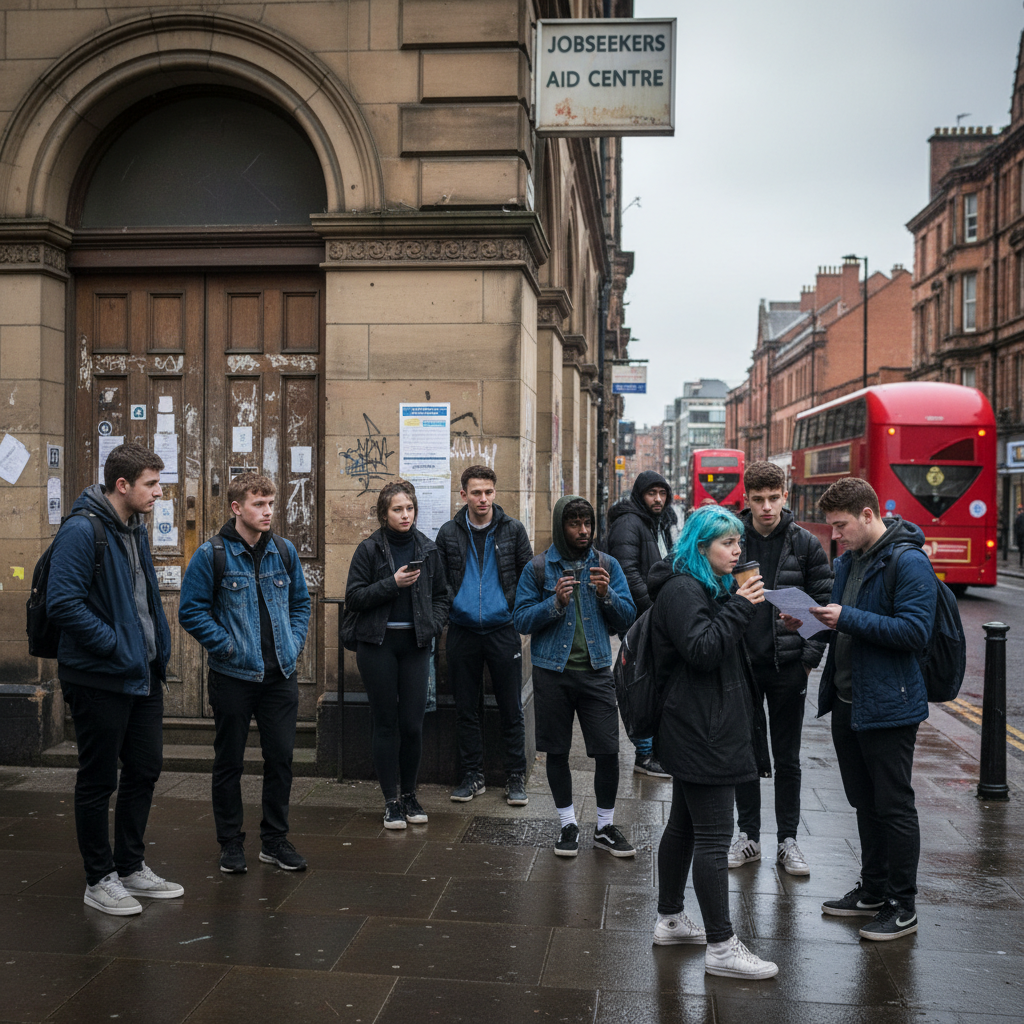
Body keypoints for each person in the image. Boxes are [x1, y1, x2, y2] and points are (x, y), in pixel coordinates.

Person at [797, 477, 936, 942]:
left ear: (869, 515)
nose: (836, 535)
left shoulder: (909, 562)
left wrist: (847, 617)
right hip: (848, 703)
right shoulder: (848, 563)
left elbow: (915, 631)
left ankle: (903, 904)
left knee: (894, 805)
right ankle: (873, 890)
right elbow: (845, 626)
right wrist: (807, 620)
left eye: (842, 525)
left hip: (890, 705)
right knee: (863, 802)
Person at [47, 442, 182, 916]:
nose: (159, 492)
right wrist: (113, 644)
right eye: (151, 484)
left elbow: (141, 598)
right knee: (99, 777)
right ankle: (98, 878)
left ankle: (129, 867)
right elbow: (62, 603)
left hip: (141, 673)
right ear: (122, 485)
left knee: (145, 768)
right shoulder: (82, 531)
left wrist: (150, 649)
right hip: (99, 676)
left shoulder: (134, 528)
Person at [647, 505, 777, 979]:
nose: (738, 550)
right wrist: (741, 604)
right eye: (727, 542)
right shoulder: (683, 590)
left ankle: (670, 919)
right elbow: (702, 650)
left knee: (683, 826)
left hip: (703, 724)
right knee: (714, 837)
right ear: (701, 548)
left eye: (738, 542)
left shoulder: (704, 586)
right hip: (703, 730)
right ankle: (722, 946)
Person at [179, 472, 311, 873]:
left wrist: (293, 642)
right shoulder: (212, 554)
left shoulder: (284, 552)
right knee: (229, 762)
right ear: (237, 508)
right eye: (259, 504)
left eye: (271, 503)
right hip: (233, 676)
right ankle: (230, 843)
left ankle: (274, 840)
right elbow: (191, 611)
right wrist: (228, 646)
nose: (268, 511)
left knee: (281, 760)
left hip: (280, 677)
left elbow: (300, 604)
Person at [513, 495, 636, 858]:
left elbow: (628, 618)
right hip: (552, 673)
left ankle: (604, 826)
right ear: (559, 527)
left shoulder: (607, 565)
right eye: (574, 523)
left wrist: (606, 594)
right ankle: (568, 825)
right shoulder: (538, 568)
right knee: (557, 751)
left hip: (597, 671)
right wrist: (555, 604)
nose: (583, 531)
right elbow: (520, 619)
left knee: (608, 751)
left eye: (588, 523)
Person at [727, 461, 832, 876]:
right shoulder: (731, 539)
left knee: (787, 757)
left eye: (774, 498)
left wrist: (808, 662)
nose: (767, 507)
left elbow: (824, 604)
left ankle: (788, 840)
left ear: (784, 496)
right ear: (747, 499)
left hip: (789, 666)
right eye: (758, 499)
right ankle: (748, 836)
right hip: (743, 665)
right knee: (745, 755)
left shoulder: (805, 544)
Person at [344, 480, 450, 829]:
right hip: (378, 645)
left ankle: (410, 794)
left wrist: (433, 625)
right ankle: (391, 801)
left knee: (413, 725)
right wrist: (393, 583)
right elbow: (355, 597)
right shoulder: (370, 549)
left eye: (409, 509)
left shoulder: (428, 548)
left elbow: (441, 596)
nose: (405, 515)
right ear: (384, 514)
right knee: (386, 723)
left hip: (416, 645)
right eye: (397, 510)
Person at [435, 466, 533, 805]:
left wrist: (510, 608)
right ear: (463, 495)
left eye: (488, 492)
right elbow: (440, 580)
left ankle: (515, 776)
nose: (483, 499)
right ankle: (472, 775)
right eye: (476, 492)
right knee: (466, 708)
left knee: (510, 707)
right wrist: (452, 607)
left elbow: (527, 575)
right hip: (462, 630)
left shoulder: (512, 530)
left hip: (502, 629)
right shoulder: (449, 533)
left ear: (495, 492)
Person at [605, 470, 677, 779]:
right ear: (640, 495)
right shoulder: (629, 523)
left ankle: (654, 750)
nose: (658, 499)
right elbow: (628, 574)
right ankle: (644, 754)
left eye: (662, 493)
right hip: (641, 616)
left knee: (656, 681)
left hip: (654, 615)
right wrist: (655, 609)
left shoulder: (658, 522)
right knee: (642, 683)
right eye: (652, 493)